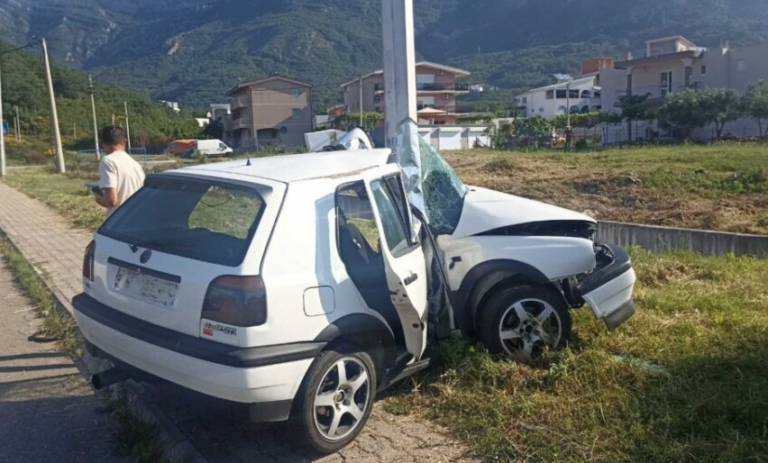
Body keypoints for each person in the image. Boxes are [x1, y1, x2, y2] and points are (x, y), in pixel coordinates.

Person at [94, 126, 145, 216]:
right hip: (137, 217)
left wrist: (98, 198)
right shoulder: (135, 164)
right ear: (125, 142)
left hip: (119, 222)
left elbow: (111, 201)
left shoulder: (108, 161)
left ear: (102, 143)